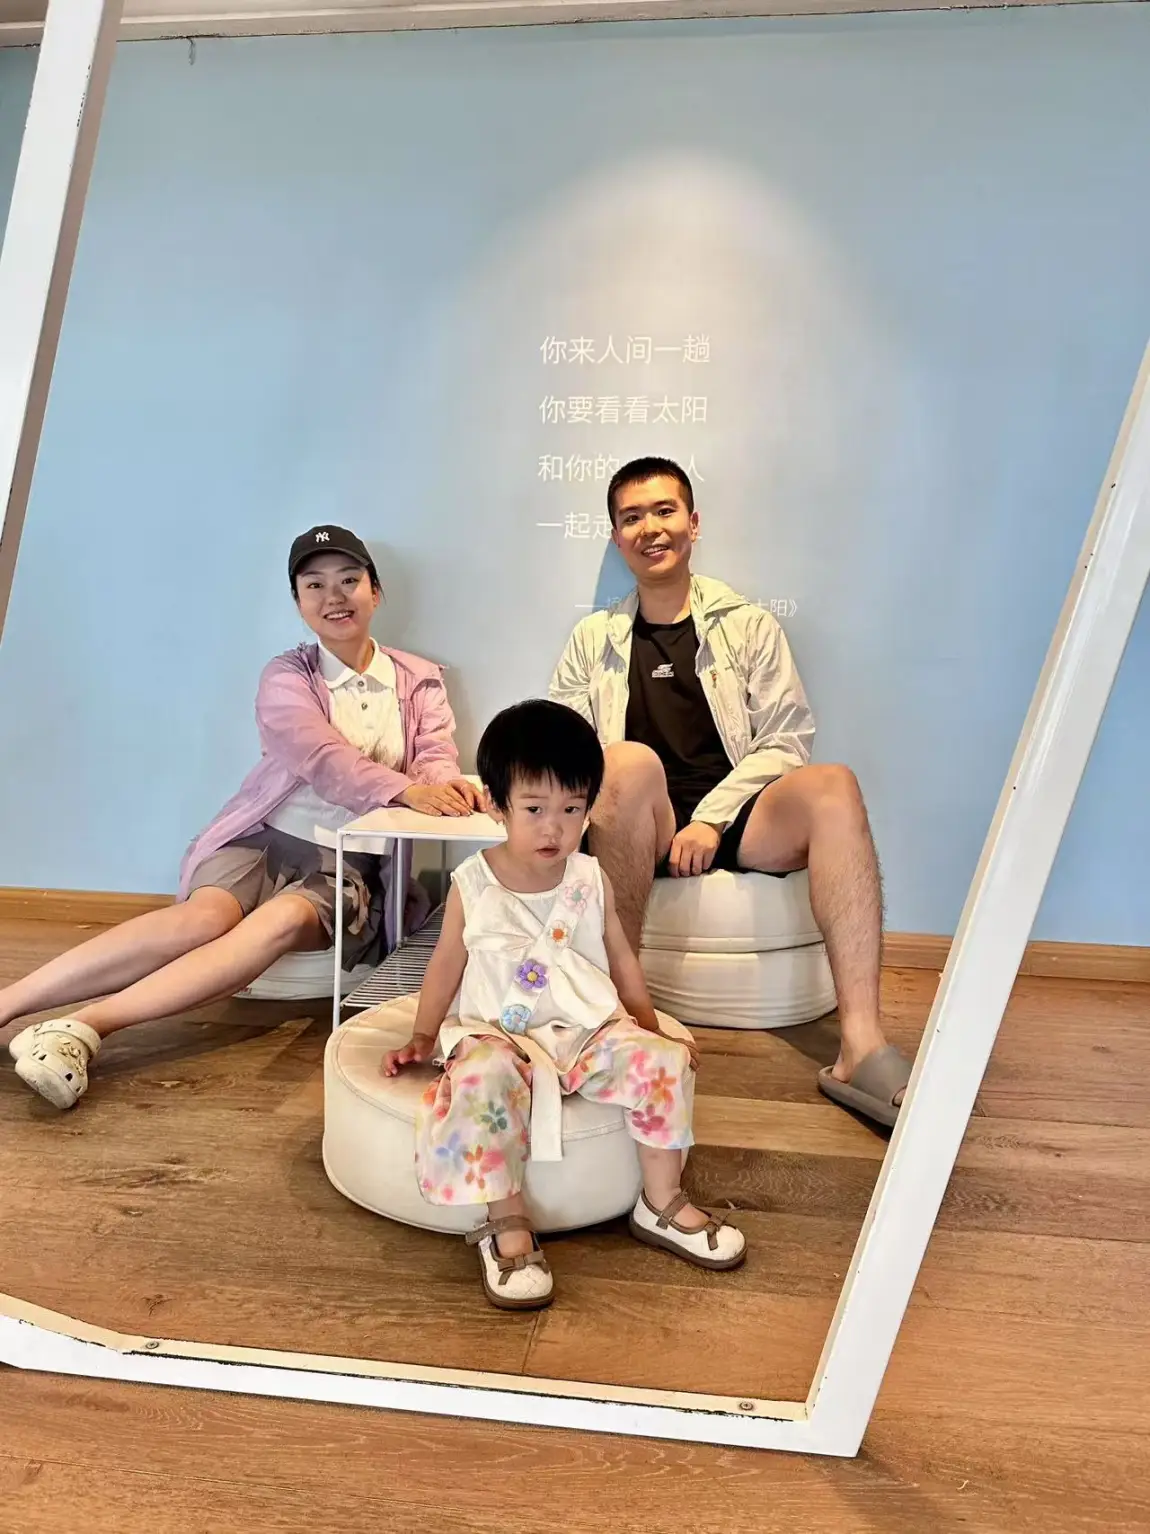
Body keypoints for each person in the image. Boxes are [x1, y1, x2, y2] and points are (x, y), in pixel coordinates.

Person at [2, 524, 480, 1112]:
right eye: (315, 585)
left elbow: (434, 754)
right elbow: (318, 755)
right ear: (298, 603)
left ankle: (81, 1029)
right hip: (265, 838)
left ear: (375, 592)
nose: (334, 597)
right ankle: (8, 1003)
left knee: (280, 921)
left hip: (350, 863)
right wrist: (406, 789)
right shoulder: (286, 675)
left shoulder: (418, 677)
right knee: (199, 920)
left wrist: (441, 786)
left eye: (349, 580)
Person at [548, 457, 912, 1130]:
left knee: (834, 784)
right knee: (623, 762)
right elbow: (566, 755)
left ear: (692, 523)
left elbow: (786, 739)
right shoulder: (593, 639)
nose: (650, 528)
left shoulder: (747, 625)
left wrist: (713, 819)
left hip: (739, 811)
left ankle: (861, 1045)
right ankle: (617, 1015)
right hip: (643, 820)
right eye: (632, 517)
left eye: (664, 511)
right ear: (616, 536)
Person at [381, 698, 746, 1311]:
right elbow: (446, 964)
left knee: (662, 1065)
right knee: (482, 1079)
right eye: (534, 809)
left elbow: (621, 959)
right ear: (496, 804)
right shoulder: (473, 882)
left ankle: (660, 1201)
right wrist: (422, 1034)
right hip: (497, 1031)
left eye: (572, 809)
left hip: (584, 1029)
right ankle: (506, 1219)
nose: (554, 828)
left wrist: (651, 1029)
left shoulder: (589, 877)